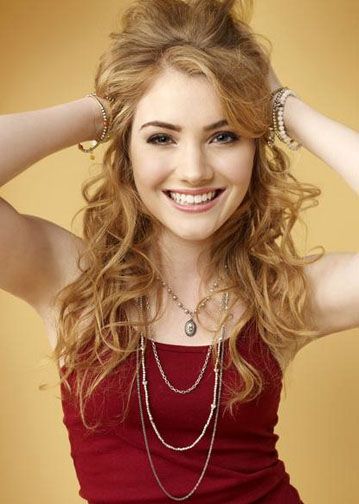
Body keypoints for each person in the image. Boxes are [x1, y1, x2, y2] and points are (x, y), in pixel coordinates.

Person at [0, 0, 358, 502]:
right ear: (126, 149)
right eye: (161, 137)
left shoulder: (283, 296)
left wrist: (283, 107)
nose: (193, 169)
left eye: (224, 135)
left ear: (256, 148)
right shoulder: (66, 278)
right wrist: (102, 111)